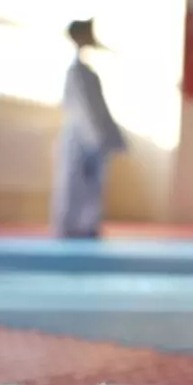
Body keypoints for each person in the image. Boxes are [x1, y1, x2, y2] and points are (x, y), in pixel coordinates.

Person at [52, 19, 126, 239]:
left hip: (94, 140)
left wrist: (111, 138)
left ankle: (86, 226)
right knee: (73, 185)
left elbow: (100, 111)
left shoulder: (89, 74)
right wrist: (95, 139)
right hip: (81, 139)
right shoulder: (75, 73)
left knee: (91, 187)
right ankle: (69, 227)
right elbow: (80, 110)